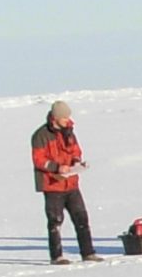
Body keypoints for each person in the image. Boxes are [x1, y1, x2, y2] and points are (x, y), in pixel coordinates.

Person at [29, 100, 98, 263]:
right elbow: (38, 159)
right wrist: (57, 167)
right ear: (56, 117)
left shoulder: (69, 132)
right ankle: (56, 256)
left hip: (71, 183)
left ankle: (88, 253)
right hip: (52, 184)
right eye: (65, 117)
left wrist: (76, 161)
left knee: (82, 218)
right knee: (55, 221)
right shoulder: (40, 135)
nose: (68, 119)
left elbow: (75, 150)